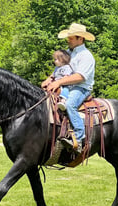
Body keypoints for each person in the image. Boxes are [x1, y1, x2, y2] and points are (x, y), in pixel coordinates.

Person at [41, 23, 96, 153]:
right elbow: (60, 69)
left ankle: (79, 137)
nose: (68, 40)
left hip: (80, 88)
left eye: (71, 38)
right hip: (67, 86)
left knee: (70, 104)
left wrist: (59, 83)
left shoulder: (86, 56)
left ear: (80, 39)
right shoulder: (69, 54)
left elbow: (80, 76)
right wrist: (50, 79)